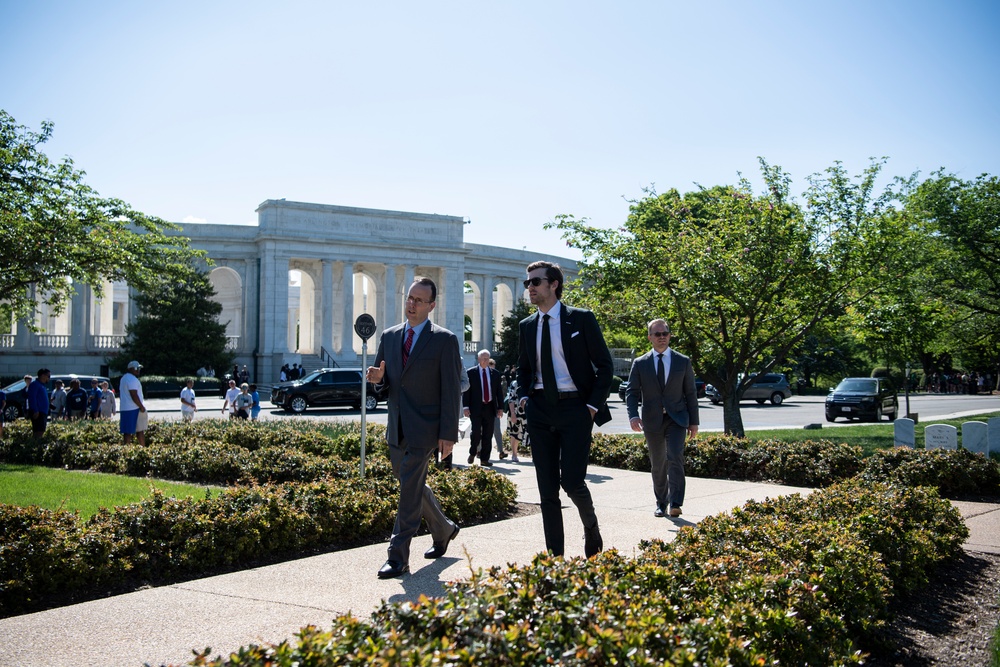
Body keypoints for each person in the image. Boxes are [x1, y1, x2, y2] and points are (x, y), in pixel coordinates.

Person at [366, 277, 462, 580]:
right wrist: (378, 381)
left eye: (419, 300)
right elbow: (387, 387)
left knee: (408, 490)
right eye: (410, 298)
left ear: (432, 306)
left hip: (426, 429)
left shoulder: (444, 340)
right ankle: (444, 529)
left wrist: (448, 433)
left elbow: (451, 390)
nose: (412, 304)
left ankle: (398, 557)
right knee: (410, 483)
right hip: (397, 427)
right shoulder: (390, 336)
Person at [517, 261, 613, 559]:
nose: (530, 288)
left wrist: (591, 407)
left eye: (535, 282)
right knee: (547, 491)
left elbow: (606, 366)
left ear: (553, 284)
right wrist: (523, 397)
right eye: (527, 283)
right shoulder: (527, 326)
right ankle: (554, 560)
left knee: (572, 481)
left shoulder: (581, 320)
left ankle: (591, 527)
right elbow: (523, 368)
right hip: (540, 410)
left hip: (576, 409)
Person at [625, 319, 700, 518]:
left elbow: (691, 393)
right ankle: (661, 502)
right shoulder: (640, 363)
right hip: (652, 420)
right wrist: (633, 415)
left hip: (677, 419)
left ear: (669, 335)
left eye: (665, 333)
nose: (661, 337)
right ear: (650, 337)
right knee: (658, 462)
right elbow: (631, 392)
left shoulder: (682, 361)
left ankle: (675, 503)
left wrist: (694, 422)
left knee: (675, 457)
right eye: (657, 334)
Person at [463, 350, 504, 466]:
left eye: (487, 358)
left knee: (488, 433)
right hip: (476, 407)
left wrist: (500, 408)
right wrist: (466, 407)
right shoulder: (471, 373)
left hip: (490, 407)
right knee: (476, 432)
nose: (485, 361)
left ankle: (485, 459)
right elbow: (467, 392)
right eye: (483, 358)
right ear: (479, 359)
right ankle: (473, 452)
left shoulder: (495, 374)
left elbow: (498, 393)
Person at [119, 360, 147, 445]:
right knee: (140, 430)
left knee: (127, 432)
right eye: (137, 368)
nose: (138, 370)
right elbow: (134, 394)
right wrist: (141, 406)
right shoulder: (132, 379)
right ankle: (142, 448)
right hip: (134, 408)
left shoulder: (124, 378)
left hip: (125, 408)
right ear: (131, 369)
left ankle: (126, 450)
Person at [489, 358, 507, 458]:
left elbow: (500, 394)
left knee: (497, 430)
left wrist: (500, 408)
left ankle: (501, 451)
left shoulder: (496, 377)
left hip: (494, 408)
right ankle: (479, 450)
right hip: (485, 408)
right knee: (482, 430)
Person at [26, 369, 51, 439]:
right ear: (43, 375)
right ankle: (35, 446)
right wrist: (35, 410)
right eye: (48, 376)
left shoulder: (42, 385)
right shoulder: (35, 385)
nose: (49, 378)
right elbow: (32, 398)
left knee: (41, 431)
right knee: (38, 432)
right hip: (38, 412)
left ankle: (37, 445)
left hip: (43, 412)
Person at [505, 379, 525, 463]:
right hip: (516, 412)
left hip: (527, 413)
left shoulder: (532, 381)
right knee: (515, 434)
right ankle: (514, 454)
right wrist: (513, 413)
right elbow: (511, 399)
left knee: (529, 434)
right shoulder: (515, 383)